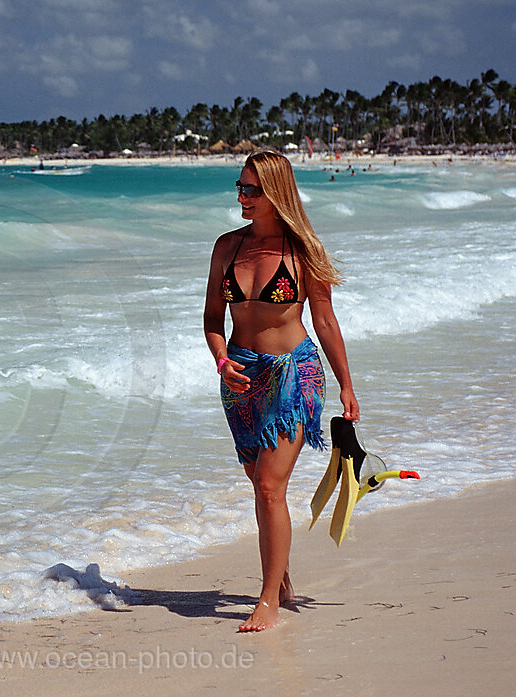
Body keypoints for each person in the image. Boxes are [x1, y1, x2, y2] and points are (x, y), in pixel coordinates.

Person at [203, 149, 358, 632]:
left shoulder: (302, 250)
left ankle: (268, 600)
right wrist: (223, 361)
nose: (243, 197)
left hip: (294, 374)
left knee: (271, 485)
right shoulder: (226, 247)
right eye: (240, 188)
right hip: (241, 374)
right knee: (258, 481)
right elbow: (212, 319)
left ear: (276, 193)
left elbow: (325, 321)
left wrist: (347, 386)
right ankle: (281, 578)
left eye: (252, 189)